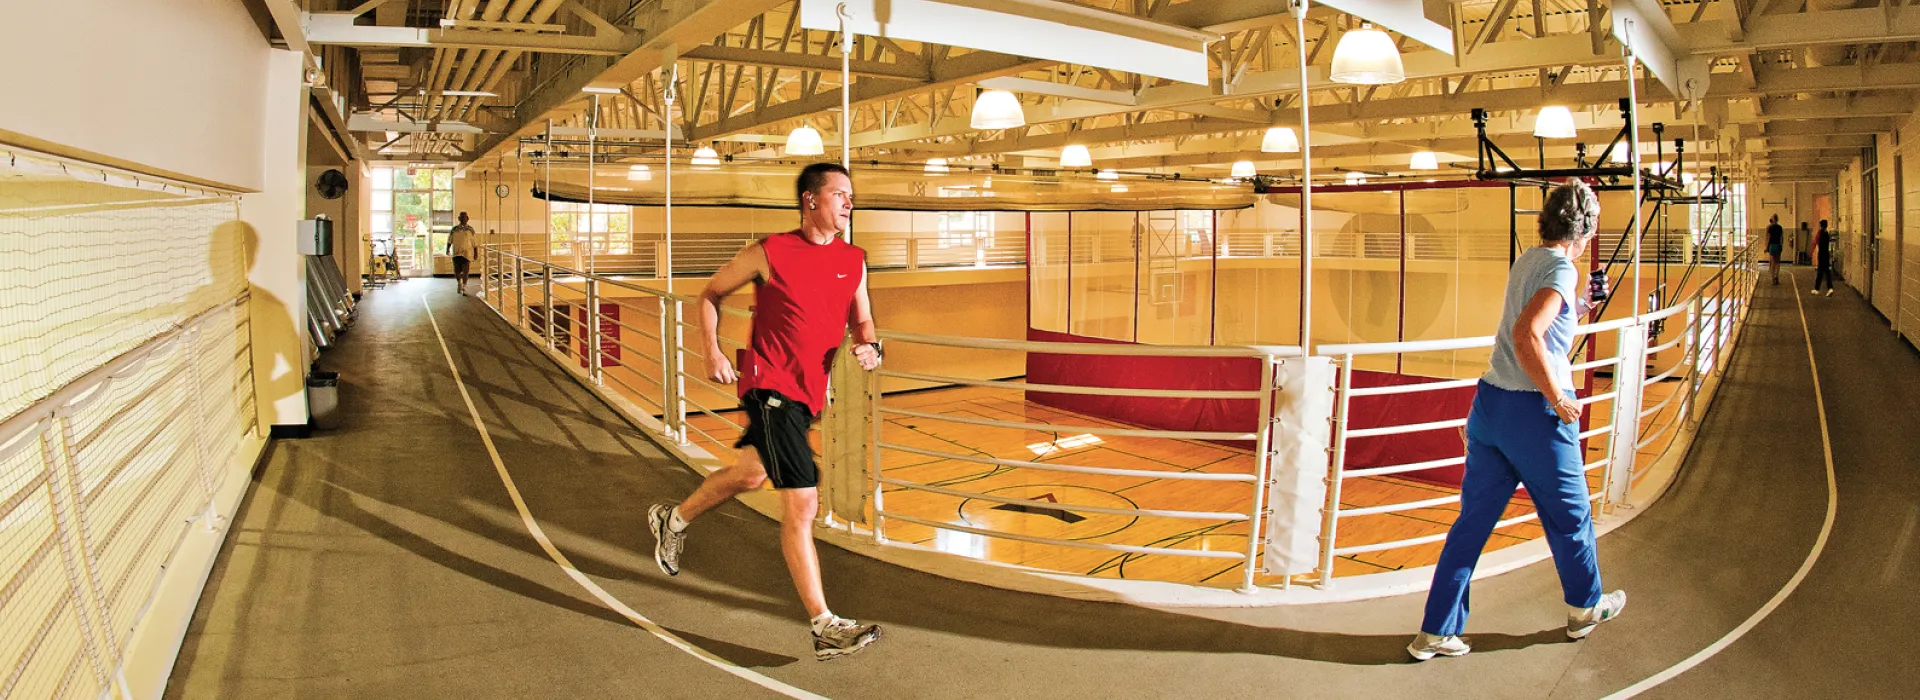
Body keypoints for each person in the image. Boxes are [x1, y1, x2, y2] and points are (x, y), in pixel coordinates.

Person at [646, 162, 885, 661]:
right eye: (839, 194)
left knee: (750, 476)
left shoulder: (854, 260)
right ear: (810, 200)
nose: (848, 202)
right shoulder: (770, 251)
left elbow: (863, 321)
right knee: (802, 502)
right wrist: (711, 351)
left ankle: (673, 519)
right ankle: (823, 624)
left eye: (851, 196)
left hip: (807, 397)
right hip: (769, 387)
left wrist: (871, 348)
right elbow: (710, 293)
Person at [1409, 180, 1627, 661]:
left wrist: (1581, 305)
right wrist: (1559, 398)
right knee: (1570, 518)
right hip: (1535, 412)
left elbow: (1537, 322)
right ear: (1585, 229)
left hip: (1491, 404)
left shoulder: (1529, 259)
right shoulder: (1563, 269)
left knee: (1471, 524)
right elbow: (1528, 333)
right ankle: (1586, 609)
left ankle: (1436, 631)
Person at [447, 212, 476, 295]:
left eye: (465, 217)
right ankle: (459, 283)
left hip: (467, 253)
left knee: (466, 271)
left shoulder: (470, 229)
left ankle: (464, 287)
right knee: (457, 270)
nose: (463, 219)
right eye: (461, 217)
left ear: (467, 218)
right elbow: (450, 240)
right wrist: (448, 249)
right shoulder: (454, 229)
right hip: (456, 253)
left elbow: (474, 242)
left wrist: (475, 252)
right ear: (459, 219)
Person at [1811, 219, 1834, 296]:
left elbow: (1815, 242)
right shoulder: (1827, 234)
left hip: (1821, 254)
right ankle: (1830, 288)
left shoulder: (1820, 233)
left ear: (1821, 226)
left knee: (1820, 272)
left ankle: (1817, 289)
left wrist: (1811, 252)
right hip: (1826, 254)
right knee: (1827, 272)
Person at [1765, 215, 1784, 285]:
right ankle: (1777, 275)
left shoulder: (1770, 228)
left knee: (1772, 262)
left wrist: (1767, 247)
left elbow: (1769, 238)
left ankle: (1772, 277)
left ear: (1773, 220)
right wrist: (1781, 245)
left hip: (1772, 246)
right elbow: (1782, 238)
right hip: (1778, 245)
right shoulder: (1780, 227)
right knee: (1778, 262)